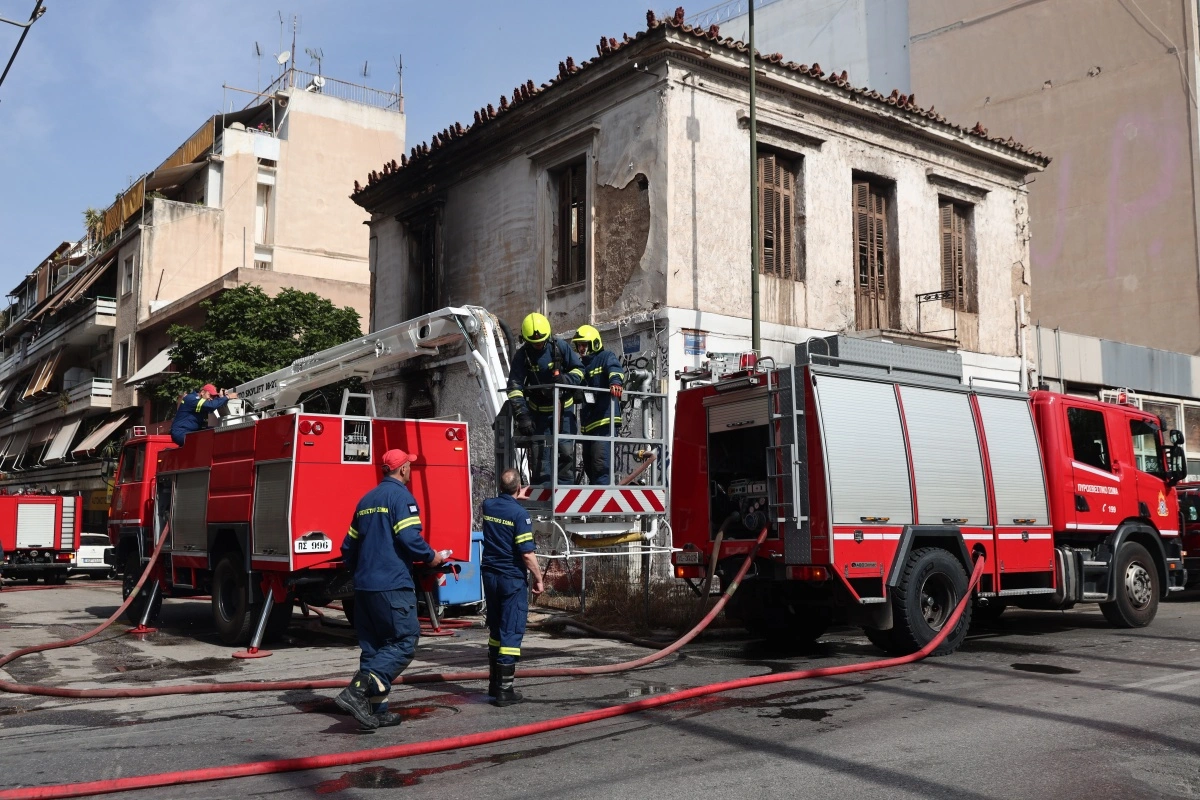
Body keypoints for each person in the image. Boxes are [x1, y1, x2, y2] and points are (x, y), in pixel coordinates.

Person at [335, 448, 447, 731]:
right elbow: (410, 538)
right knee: (404, 641)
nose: (410, 468)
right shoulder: (401, 498)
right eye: (409, 464)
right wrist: (432, 556)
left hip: (364, 587)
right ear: (403, 470)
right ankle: (356, 691)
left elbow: (348, 546)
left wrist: (361, 570)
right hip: (392, 585)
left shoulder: (366, 500)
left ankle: (373, 711)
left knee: (373, 648)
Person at [480, 468, 544, 706]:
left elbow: (501, 502)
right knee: (511, 629)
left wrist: (514, 495)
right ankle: (506, 691)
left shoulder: (488, 505)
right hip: (510, 578)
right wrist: (538, 578)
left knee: (496, 629)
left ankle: (494, 685)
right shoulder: (520, 515)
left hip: (490, 576)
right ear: (519, 488)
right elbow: (527, 554)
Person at [506, 312, 584, 485]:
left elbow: (579, 370)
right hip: (539, 414)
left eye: (541, 341)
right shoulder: (523, 355)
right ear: (525, 340)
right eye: (534, 343)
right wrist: (522, 415)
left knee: (565, 450)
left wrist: (565, 380)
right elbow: (514, 386)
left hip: (564, 411)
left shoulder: (560, 347)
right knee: (541, 453)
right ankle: (542, 490)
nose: (539, 345)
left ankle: (565, 490)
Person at [570, 325, 625, 485]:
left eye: (584, 344)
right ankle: (595, 503)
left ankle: (602, 504)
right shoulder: (581, 365)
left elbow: (615, 369)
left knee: (601, 466)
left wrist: (615, 382)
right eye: (579, 345)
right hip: (588, 426)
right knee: (589, 466)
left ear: (594, 343)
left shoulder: (606, 357)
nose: (581, 348)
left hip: (604, 422)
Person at [170, 384, 237, 447]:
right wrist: (228, 397)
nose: (211, 398)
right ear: (202, 392)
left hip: (190, 431)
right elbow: (211, 406)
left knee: (215, 430)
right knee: (204, 443)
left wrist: (221, 397)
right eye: (210, 395)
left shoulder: (199, 402)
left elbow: (213, 407)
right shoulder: (192, 399)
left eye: (213, 397)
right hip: (181, 432)